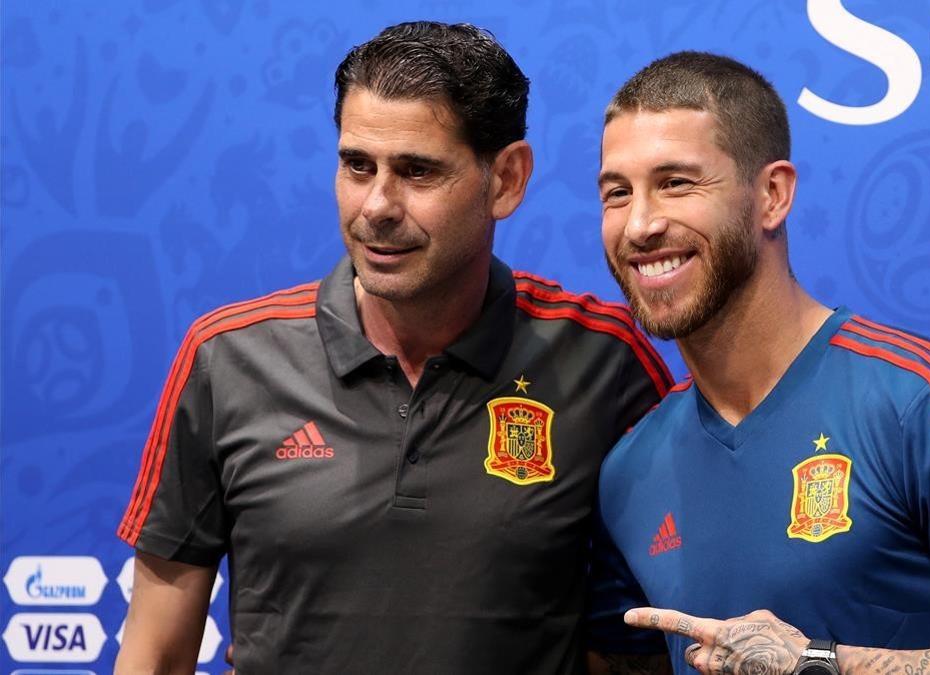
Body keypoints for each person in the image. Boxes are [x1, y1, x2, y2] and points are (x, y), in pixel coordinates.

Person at [113, 22, 676, 674]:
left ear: (508, 180)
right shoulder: (226, 358)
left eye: (417, 171)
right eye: (357, 165)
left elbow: (640, 642)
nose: (377, 205)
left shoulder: (605, 363)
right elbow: (154, 651)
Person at [594, 52, 930, 674]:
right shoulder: (627, 472)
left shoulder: (927, 400)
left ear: (772, 194)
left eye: (676, 183)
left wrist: (817, 666)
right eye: (616, 193)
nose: (640, 224)